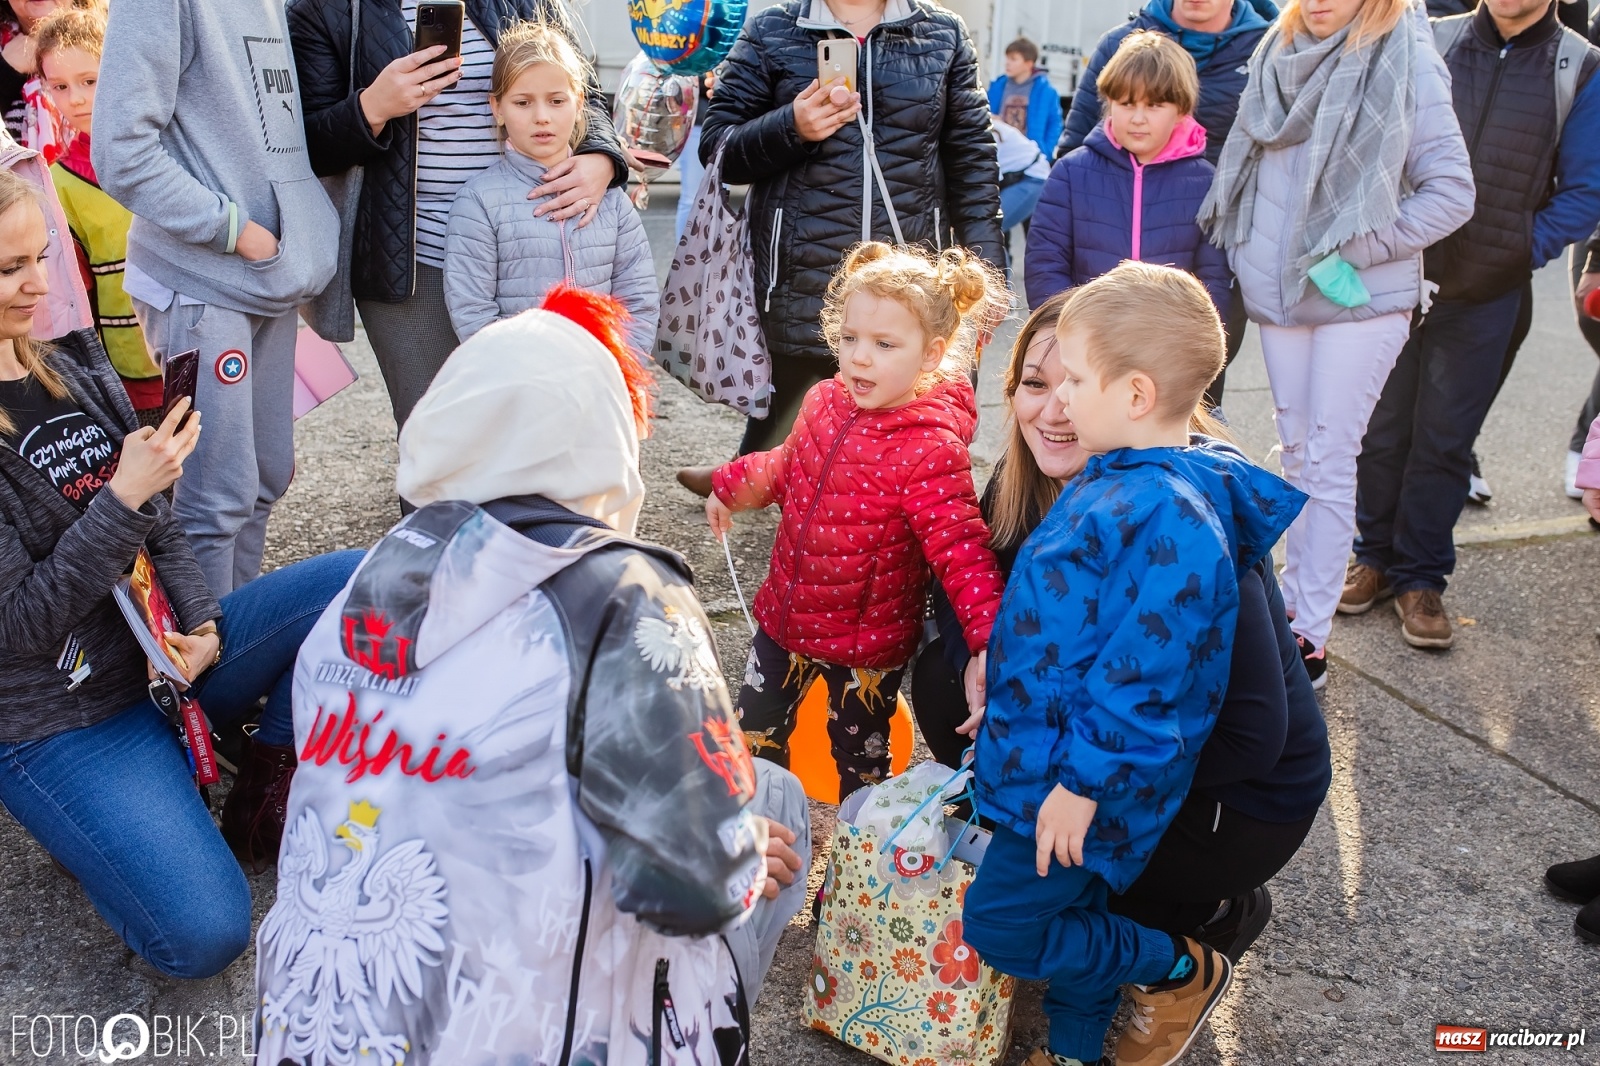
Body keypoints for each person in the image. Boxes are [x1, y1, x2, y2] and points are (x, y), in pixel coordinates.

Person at [254, 287, 811, 1061]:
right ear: (605, 431)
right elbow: (694, 889)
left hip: (319, 1035)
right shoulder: (622, 594)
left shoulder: (367, 581)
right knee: (776, 798)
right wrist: (740, 843)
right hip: (526, 1038)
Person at [0, 168, 362, 976]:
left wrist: (199, 623)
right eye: (9, 268)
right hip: (63, 717)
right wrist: (121, 498)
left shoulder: (69, 359)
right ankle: (109, 825)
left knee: (374, 575)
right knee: (204, 937)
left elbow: (161, 520)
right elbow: (19, 626)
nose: (39, 283)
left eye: (40, 256)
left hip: (165, 660)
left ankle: (259, 773)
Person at [911, 294, 1330, 968]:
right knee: (940, 677)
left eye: (1073, 381)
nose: (1056, 408)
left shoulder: (1179, 521)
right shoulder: (1033, 486)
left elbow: (1253, 736)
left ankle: (1203, 922)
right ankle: (1089, 908)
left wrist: (1074, 781)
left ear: (1135, 395)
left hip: (1232, 801)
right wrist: (982, 656)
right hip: (1109, 754)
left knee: (1026, 907)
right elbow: (954, 595)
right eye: (1036, 384)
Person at [1197, 0, 1474, 689]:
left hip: (1359, 297)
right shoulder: (1274, 50)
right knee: (1294, 450)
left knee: (1327, 453)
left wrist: (1355, 248)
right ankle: (1286, 604)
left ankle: (1306, 631)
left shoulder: (1405, 57)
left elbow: (1452, 191)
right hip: (1281, 293)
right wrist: (1249, 257)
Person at [705, 243, 1007, 800]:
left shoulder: (930, 449)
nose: (859, 357)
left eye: (884, 344)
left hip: (865, 650)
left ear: (932, 355)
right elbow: (786, 465)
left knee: (861, 766)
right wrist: (731, 486)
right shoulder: (825, 401)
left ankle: (851, 870)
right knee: (752, 735)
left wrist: (988, 639)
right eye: (850, 339)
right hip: (785, 621)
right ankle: (760, 838)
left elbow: (961, 550)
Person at [1344, 0, 1600, 650]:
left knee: (1444, 439)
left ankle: (1420, 578)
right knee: (1380, 428)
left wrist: (1516, 248)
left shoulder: (1580, 65)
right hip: (1398, 273)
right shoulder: (1430, 37)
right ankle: (1371, 557)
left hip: (1490, 291)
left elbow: (1585, 191)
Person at [677, 0, 1004, 495]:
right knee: (797, 403)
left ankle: (805, 492)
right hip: (803, 271)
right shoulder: (773, 30)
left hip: (911, 273)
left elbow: (973, 160)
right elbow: (719, 148)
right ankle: (756, 476)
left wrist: (987, 268)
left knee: (911, 418)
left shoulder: (944, 34)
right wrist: (793, 127)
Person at [288, 0, 628, 433]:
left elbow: (585, 92)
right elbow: (306, 146)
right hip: (411, 260)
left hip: (525, 244)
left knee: (533, 426)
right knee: (437, 432)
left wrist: (601, 154)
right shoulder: (325, 8)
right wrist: (372, 107)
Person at [94, 0, 340, 598]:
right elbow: (121, 152)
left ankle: (233, 650)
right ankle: (208, 676)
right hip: (204, 281)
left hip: (269, 278)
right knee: (214, 495)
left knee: (263, 478)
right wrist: (236, 232)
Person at [1056, 0, 1274, 404]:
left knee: (1192, 407)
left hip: (1219, 256)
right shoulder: (1119, 44)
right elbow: (1073, 151)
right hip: (1104, 278)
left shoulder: (1267, 48)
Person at [443, 21, 657, 354]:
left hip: (599, 377)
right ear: (497, 108)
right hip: (518, 385)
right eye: (523, 103)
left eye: (556, 101)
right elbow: (472, 310)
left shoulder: (611, 200)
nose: (542, 117)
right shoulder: (478, 202)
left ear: (579, 101)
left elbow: (639, 298)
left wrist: (621, 369)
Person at [1023, 32, 1230, 321]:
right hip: (1085, 344)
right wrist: (1066, 333)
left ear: (1181, 111)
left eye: (1154, 105)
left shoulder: (1205, 183)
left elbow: (1214, 279)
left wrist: (1188, 345)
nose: (1138, 118)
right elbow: (1045, 265)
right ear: (1109, 103)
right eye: (1127, 104)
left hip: (1170, 348)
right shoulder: (1070, 173)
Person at [37, 7, 160, 424]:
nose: (75, 98)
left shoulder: (169, 146)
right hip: (128, 360)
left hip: (200, 334)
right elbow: (74, 290)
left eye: (89, 80)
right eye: (59, 85)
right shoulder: (57, 182)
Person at [989, 36, 1062, 163]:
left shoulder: (1046, 92)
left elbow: (1055, 123)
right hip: (1000, 155)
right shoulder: (997, 87)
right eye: (1007, 58)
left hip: (1029, 158)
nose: (1007, 63)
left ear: (1029, 64)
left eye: (1014, 59)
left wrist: (1046, 152)